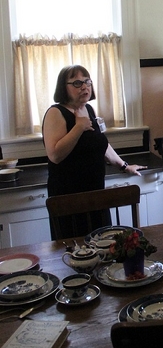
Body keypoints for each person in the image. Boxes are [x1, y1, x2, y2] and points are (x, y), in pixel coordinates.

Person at [43, 64, 146, 239]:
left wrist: (124, 166)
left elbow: (100, 144)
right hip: (69, 197)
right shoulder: (56, 112)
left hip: (96, 192)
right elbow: (55, 155)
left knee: (102, 242)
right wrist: (79, 127)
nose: (84, 86)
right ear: (63, 87)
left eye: (87, 81)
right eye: (76, 83)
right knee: (75, 248)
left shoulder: (88, 109)